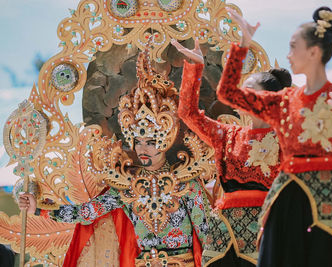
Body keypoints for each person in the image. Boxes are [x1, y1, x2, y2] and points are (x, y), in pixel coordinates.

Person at [216, 6, 332, 267]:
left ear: (313, 52)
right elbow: (229, 94)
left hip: (329, 191)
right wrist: (242, 44)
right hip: (288, 192)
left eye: (293, 46)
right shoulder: (283, 101)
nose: (287, 54)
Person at [18, 47, 213, 267]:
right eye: (137, 142)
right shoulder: (127, 185)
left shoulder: (186, 184)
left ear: (165, 141)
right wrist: (39, 209)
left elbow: (209, 236)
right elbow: (86, 213)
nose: (142, 149)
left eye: (150, 142)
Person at [172, 39, 291, 266]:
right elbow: (187, 113)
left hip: (264, 231)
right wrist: (195, 67)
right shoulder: (227, 134)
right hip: (221, 235)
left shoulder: (286, 139)